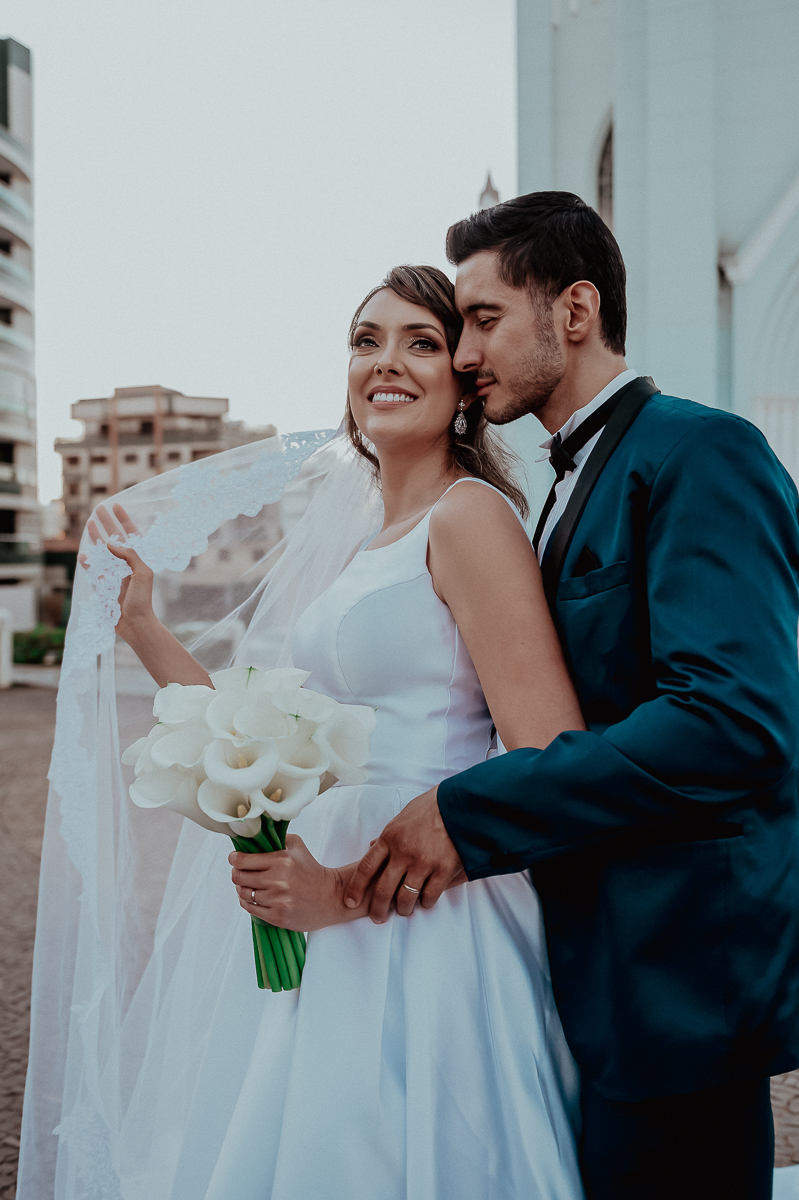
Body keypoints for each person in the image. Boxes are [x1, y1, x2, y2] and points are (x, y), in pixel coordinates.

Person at [69, 264, 587, 1200]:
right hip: (325, 912)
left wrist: (346, 892)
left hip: (431, 916)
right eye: (366, 341)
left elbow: (547, 753)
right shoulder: (358, 544)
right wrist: (142, 625)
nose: (386, 361)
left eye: (419, 342)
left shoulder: (467, 517)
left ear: (464, 382)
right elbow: (249, 732)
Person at [337, 193, 799, 1199]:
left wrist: (468, 808)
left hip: (678, 984)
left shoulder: (698, 452)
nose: (462, 354)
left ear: (574, 309)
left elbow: (734, 726)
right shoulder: (561, 487)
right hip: (592, 971)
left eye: (483, 318)